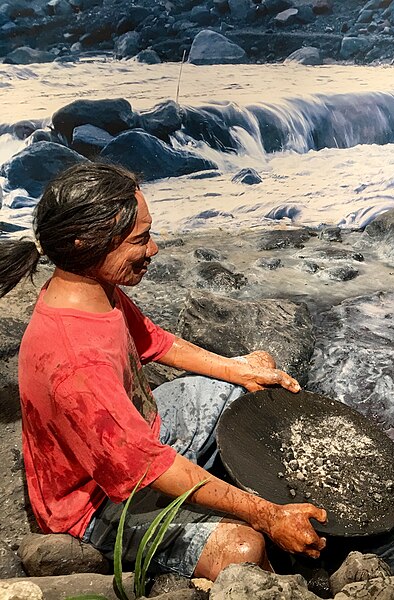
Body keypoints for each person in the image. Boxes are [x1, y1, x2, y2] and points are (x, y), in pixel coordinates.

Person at [0, 163, 326, 581]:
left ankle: (227, 489)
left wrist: (238, 369)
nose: (153, 249)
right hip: (96, 503)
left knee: (244, 390)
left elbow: (154, 340)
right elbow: (144, 468)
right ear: (86, 244)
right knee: (245, 549)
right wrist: (265, 514)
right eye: (141, 239)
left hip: (138, 438)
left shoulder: (97, 290)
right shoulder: (74, 359)